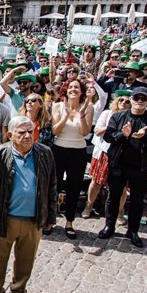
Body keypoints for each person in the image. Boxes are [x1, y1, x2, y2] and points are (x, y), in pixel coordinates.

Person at [0, 116, 56, 293]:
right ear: (10, 135)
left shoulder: (45, 153)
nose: (26, 136)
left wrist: (50, 214)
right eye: (21, 132)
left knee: (25, 261)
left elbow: (51, 185)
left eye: (29, 131)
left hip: (33, 219)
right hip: (6, 218)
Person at [99, 87, 147, 247]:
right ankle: (109, 226)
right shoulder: (118, 116)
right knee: (113, 197)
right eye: (137, 98)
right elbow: (108, 137)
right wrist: (123, 134)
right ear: (132, 99)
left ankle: (133, 231)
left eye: (144, 98)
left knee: (137, 201)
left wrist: (144, 137)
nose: (140, 101)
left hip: (140, 167)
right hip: (118, 164)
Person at [50, 79, 93, 239]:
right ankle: (50, 220)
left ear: (81, 91)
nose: (73, 89)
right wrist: (66, 115)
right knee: (55, 185)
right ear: (65, 90)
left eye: (77, 87)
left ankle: (69, 222)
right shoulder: (57, 106)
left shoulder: (88, 107)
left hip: (78, 151)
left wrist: (81, 114)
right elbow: (55, 130)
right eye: (70, 87)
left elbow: (84, 132)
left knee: (74, 187)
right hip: (59, 149)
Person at [83, 91, 131, 222]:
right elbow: (97, 131)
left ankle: (120, 212)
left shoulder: (132, 117)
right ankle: (89, 206)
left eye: (128, 101)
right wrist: (112, 125)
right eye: (121, 100)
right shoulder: (107, 114)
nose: (124, 103)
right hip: (104, 152)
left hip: (122, 155)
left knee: (122, 187)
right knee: (97, 181)